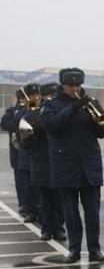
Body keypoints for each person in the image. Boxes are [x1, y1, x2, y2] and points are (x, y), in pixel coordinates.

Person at [41, 68, 104, 263]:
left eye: (78, 85)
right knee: (70, 214)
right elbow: (52, 126)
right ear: (63, 85)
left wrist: (102, 123)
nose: (74, 88)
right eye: (71, 85)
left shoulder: (92, 103)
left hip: (89, 166)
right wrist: (74, 107)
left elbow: (102, 133)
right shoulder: (52, 105)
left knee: (92, 213)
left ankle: (95, 249)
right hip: (65, 167)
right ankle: (74, 250)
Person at [26, 83, 65, 241]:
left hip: (59, 160)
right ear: (42, 96)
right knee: (44, 198)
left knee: (59, 198)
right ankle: (46, 229)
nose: (51, 97)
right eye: (48, 94)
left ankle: (59, 228)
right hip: (41, 159)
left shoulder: (61, 110)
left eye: (54, 94)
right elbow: (25, 138)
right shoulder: (33, 112)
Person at [7, 87, 39, 222]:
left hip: (39, 153)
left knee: (40, 186)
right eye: (32, 95)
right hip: (24, 153)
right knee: (26, 184)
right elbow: (13, 124)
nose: (35, 97)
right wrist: (26, 109)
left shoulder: (43, 108)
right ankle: (29, 210)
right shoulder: (17, 110)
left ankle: (42, 212)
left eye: (37, 94)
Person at [1, 90, 26, 215]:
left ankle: (34, 205)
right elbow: (5, 124)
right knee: (20, 180)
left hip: (31, 151)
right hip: (17, 150)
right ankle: (23, 203)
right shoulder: (12, 111)